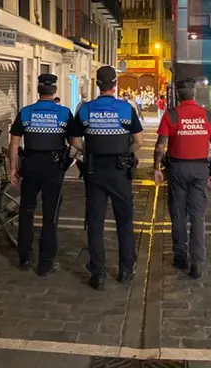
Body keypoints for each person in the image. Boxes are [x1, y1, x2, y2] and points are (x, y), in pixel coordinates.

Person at [71, 66, 143, 290]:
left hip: (94, 171)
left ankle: (98, 273)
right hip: (120, 171)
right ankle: (125, 270)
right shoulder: (125, 109)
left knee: (95, 223)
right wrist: (125, 152)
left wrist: (88, 152)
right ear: (115, 84)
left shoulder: (86, 109)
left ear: (97, 84)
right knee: (124, 221)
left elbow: (73, 139)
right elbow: (139, 141)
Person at [8, 74, 81, 276]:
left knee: (26, 211)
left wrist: (13, 169)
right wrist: (90, 152)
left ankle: (24, 258)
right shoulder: (64, 113)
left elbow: (14, 143)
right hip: (53, 168)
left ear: (38, 91)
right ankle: (45, 263)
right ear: (54, 91)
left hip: (30, 165)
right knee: (50, 215)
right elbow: (74, 141)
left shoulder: (26, 112)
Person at [153, 78, 211, 279]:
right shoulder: (207, 115)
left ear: (177, 93)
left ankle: (181, 256)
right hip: (200, 168)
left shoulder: (171, 115)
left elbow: (160, 146)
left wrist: (156, 168)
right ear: (194, 93)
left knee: (177, 214)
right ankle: (197, 262)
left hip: (177, 168)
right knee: (198, 216)